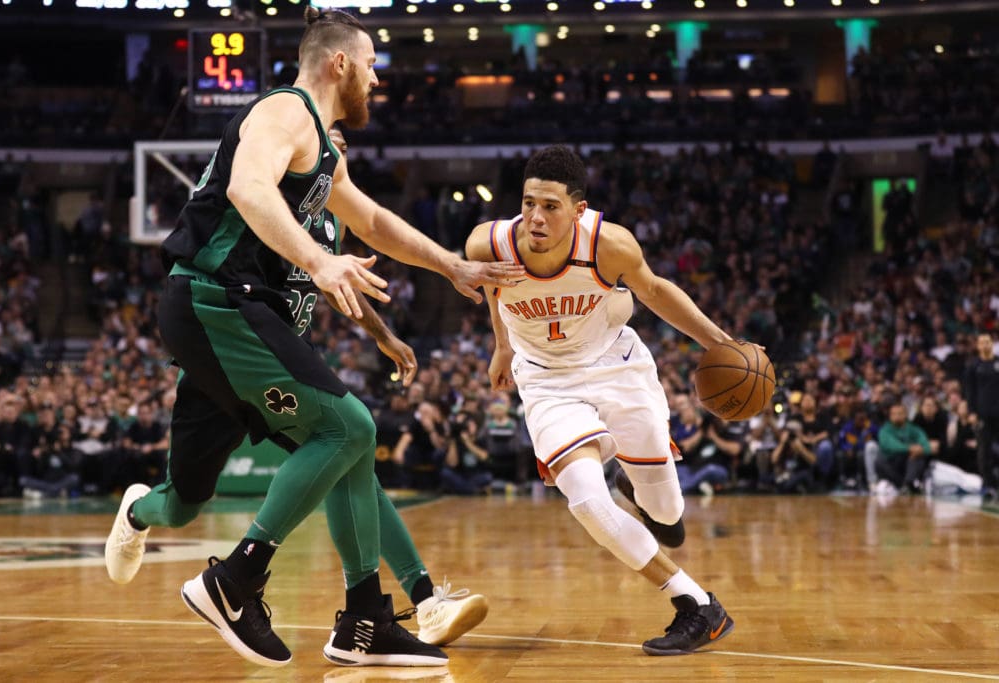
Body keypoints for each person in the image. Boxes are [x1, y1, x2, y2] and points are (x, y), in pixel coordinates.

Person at [104, 8, 516, 669]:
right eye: (373, 64)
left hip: (236, 316)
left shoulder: (325, 148)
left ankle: (366, 620)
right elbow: (246, 186)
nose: (379, 80)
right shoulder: (285, 111)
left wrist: (451, 263)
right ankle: (236, 581)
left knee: (192, 498)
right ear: (341, 63)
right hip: (215, 300)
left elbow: (374, 221)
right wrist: (323, 263)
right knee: (349, 427)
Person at [465, 145, 736, 656]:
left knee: (666, 511)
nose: (536, 218)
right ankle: (697, 606)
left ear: (578, 209)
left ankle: (643, 495)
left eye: (550, 206)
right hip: (546, 380)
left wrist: (722, 344)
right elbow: (495, 294)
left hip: (616, 364)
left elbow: (655, 291)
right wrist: (502, 345)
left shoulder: (609, 245)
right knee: (588, 500)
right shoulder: (488, 244)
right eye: (528, 203)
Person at [964, 332, 999, 500]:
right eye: (982, 342)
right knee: (984, 451)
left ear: (992, 344)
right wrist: (972, 412)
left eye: (988, 342)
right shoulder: (973, 365)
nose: (985, 345)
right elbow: (970, 391)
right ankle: (989, 484)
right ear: (977, 346)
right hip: (982, 415)